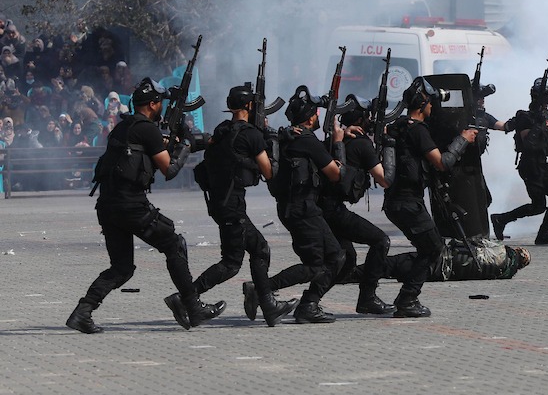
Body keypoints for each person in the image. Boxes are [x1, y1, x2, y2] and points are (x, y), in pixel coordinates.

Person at [66, 77, 225, 334]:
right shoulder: (147, 130)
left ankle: (82, 312)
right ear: (153, 104)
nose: (161, 105)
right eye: (159, 102)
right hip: (131, 206)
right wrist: (185, 146)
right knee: (174, 244)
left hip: (108, 205)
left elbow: (152, 150)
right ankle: (192, 307)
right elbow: (169, 169)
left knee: (122, 268)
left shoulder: (123, 127)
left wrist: (191, 142)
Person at [193, 84, 296, 327]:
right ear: (250, 106)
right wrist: (269, 139)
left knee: (259, 248)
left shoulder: (222, 130)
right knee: (231, 263)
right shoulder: (251, 135)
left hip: (221, 202)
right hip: (232, 206)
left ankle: (268, 304)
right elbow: (269, 171)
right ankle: (188, 296)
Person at [381, 78, 477, 318]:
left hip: (395, 202)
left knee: (427, 247)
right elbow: (442, 163)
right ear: (422, 105)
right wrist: (463, 139)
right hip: (408, 203)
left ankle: (389, 291)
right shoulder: (419, 130)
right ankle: (407, 299)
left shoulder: (398, 126)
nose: (433, 108)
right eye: (431, 104)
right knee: (434, 248)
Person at [261, 86, 346, 324]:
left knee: (336, 256)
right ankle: (263, 289)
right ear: (310, 118)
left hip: (297, 208)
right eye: (317, 113)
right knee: (315, 265)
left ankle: (309, 304)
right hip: (302, 209)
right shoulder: (306, 140)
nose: (319, 117)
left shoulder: (287, 137)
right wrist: (338, 144)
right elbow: (335, 175)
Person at [319, 97, 396, 316]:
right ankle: (367, 298)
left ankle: (310, 301)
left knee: (346, 259)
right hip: (334, 211)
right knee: (381, 241)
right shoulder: (362, 144)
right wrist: (389, 148)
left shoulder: (335, 139)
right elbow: (384, 180)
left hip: (323, 208)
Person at [491, 78, 548, 244]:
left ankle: (543, 234)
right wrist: (539, 124)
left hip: (543, 164)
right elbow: (529, 143)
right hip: (530, 165)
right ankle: (501, 219)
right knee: (538, 206)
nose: (547, 104)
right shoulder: (525, 117)